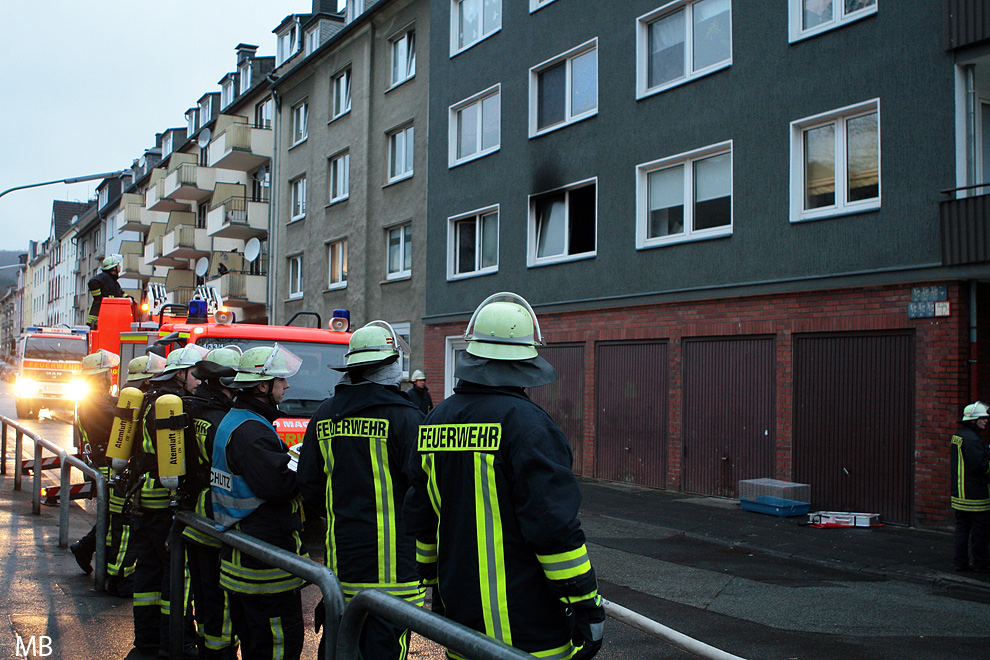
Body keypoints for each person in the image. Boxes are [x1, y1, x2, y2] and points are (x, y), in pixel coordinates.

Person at [404, 292, 605, 660]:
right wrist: (586, 603)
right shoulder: (529, 427)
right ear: (524, 362)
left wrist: (434, 586)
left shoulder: (434, 422)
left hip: (462, 626)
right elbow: (554, 531)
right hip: (530, 635)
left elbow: (423, 521)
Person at [298, 322, 425, 660]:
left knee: (340, 649)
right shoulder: (406, 418)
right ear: (390, 367)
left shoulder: (323, 416)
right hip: (393, 572)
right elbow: (424, 490)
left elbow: (309, 486)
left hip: (340, 569)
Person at [211, 344, 307, 660]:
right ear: (262, 385)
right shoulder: (252, 431)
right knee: (278, 646)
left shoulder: (238, 418)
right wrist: (303, 462)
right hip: (263, 569)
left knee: (255, 645)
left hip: (243, 553)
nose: (287, 385)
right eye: (281, 380)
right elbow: (279, 485)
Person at [129, 344, 206, 655]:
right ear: (182, 375)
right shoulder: (172, 405)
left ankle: (146, 636)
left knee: (148, 571)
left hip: (144, 495)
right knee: (176, 572)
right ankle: (177, 639)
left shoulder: (150, 398)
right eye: (196, 375)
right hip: (164, 498)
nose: (200, 382)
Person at [180, 346, 241, 660]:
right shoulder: (223, 420)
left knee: (204, 596)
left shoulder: (193, 408)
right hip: (217, 517)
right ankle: (219, 653)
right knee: (220, 598)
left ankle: (207, 647)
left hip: (195, 516)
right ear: (227, 383)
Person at [69, 349, 120, 575]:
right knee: (114, 515)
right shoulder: (97, 403)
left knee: (110, 514)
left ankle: (87, 549)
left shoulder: (91, 400)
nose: (111, 376)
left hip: (97, 465)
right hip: (105, 467)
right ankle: (86, 549)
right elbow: (116, 415)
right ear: (101, 376)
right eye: (108, 372)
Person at [951, 401, 990, 573]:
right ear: (973, 420)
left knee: (962, 529)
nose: (986, 421)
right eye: (983, 418)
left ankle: (960, 562)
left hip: (959, 494)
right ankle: (981, 563)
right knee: (980, 532)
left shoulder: (959, 435)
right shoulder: (972, 439)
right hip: (975, 495)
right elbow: (980, 466)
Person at [87, 254, 124, 329]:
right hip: (97, 318)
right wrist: (98, 297)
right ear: (114, 268)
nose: (120, 267)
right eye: (118, 265)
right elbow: (92, 282)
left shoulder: (113, 282)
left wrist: (129, 298)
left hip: (103, 317)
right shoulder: (105, 277)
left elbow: (119, 295)